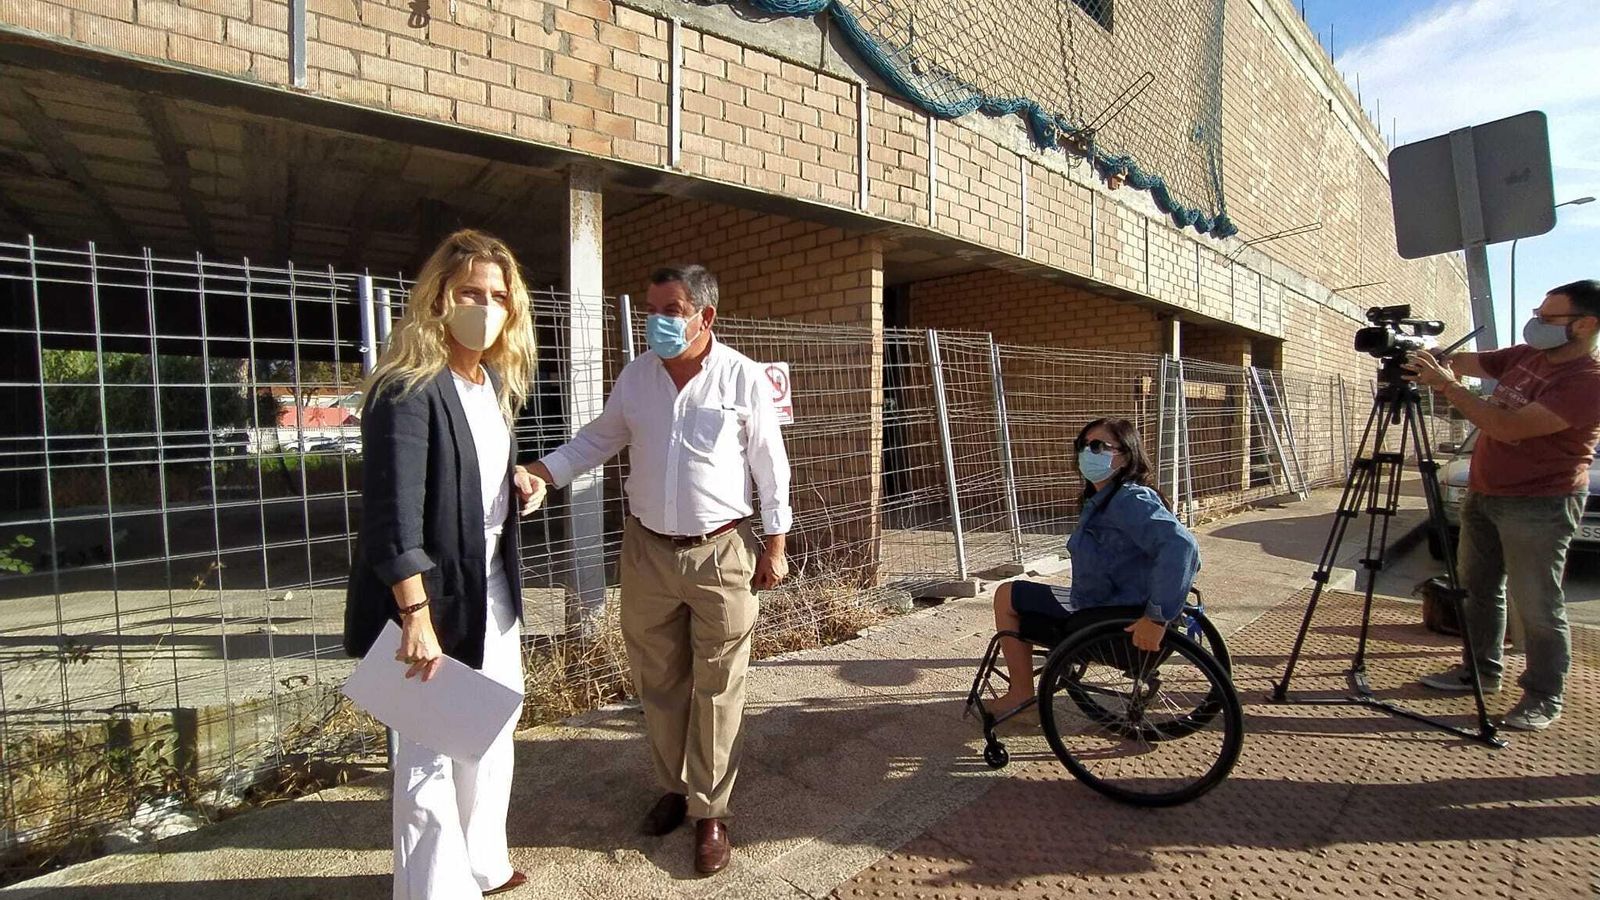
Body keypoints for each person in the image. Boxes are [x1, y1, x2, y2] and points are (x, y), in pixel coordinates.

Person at [524, 263, 790, 876]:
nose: (656, 321)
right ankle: (673, 788)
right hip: (646, 552)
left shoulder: (741, 377)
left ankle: (711, 811)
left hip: (722, 551)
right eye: (651, 308)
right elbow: (598, 439)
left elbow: (769, 463)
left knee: (720, 687)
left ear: (705, 316)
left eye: (670, 310)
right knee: (659, 680)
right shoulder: (637, 377)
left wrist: (775, 543)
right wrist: (544, 471)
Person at [343, 230, 547, 899]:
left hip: (490, 592)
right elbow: (391, 518)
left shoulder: (487, 384)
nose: (484, 307)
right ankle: (434, 889)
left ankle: (483, 864)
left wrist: (518, 483)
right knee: (428, 757)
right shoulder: (407, 388)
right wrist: (414, 615)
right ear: (438, 297)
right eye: (470, 293)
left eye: (496, 296)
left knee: (491, 731)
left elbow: (466, 479)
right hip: (429, 603)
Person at [1404, 279, 1600, 731]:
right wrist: (1421, 350)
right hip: (1485, 494)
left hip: (1541, 504)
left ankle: (1543, 695)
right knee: (1476, 590)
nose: (1537, 323)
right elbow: (1460, 360)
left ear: (1586, 324)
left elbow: (1507, 427)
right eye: (1538, 311)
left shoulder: (1586, 383)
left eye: (1550, 317)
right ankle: (1479, 672)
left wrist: (1447, 385)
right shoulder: (1525, 356)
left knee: (1537, 604)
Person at [985, 417, 1201, 717]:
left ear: (1125, 456)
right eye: (1082, 446)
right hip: (1111, 602)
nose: (1087, 452)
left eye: (1098, 446)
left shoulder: (1129, 499)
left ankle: (1021, 695)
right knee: (1025, 598)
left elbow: (1182, 546)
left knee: (1006, 595)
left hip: (1114, 613)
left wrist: (1156, 617)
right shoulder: (1109, 497)